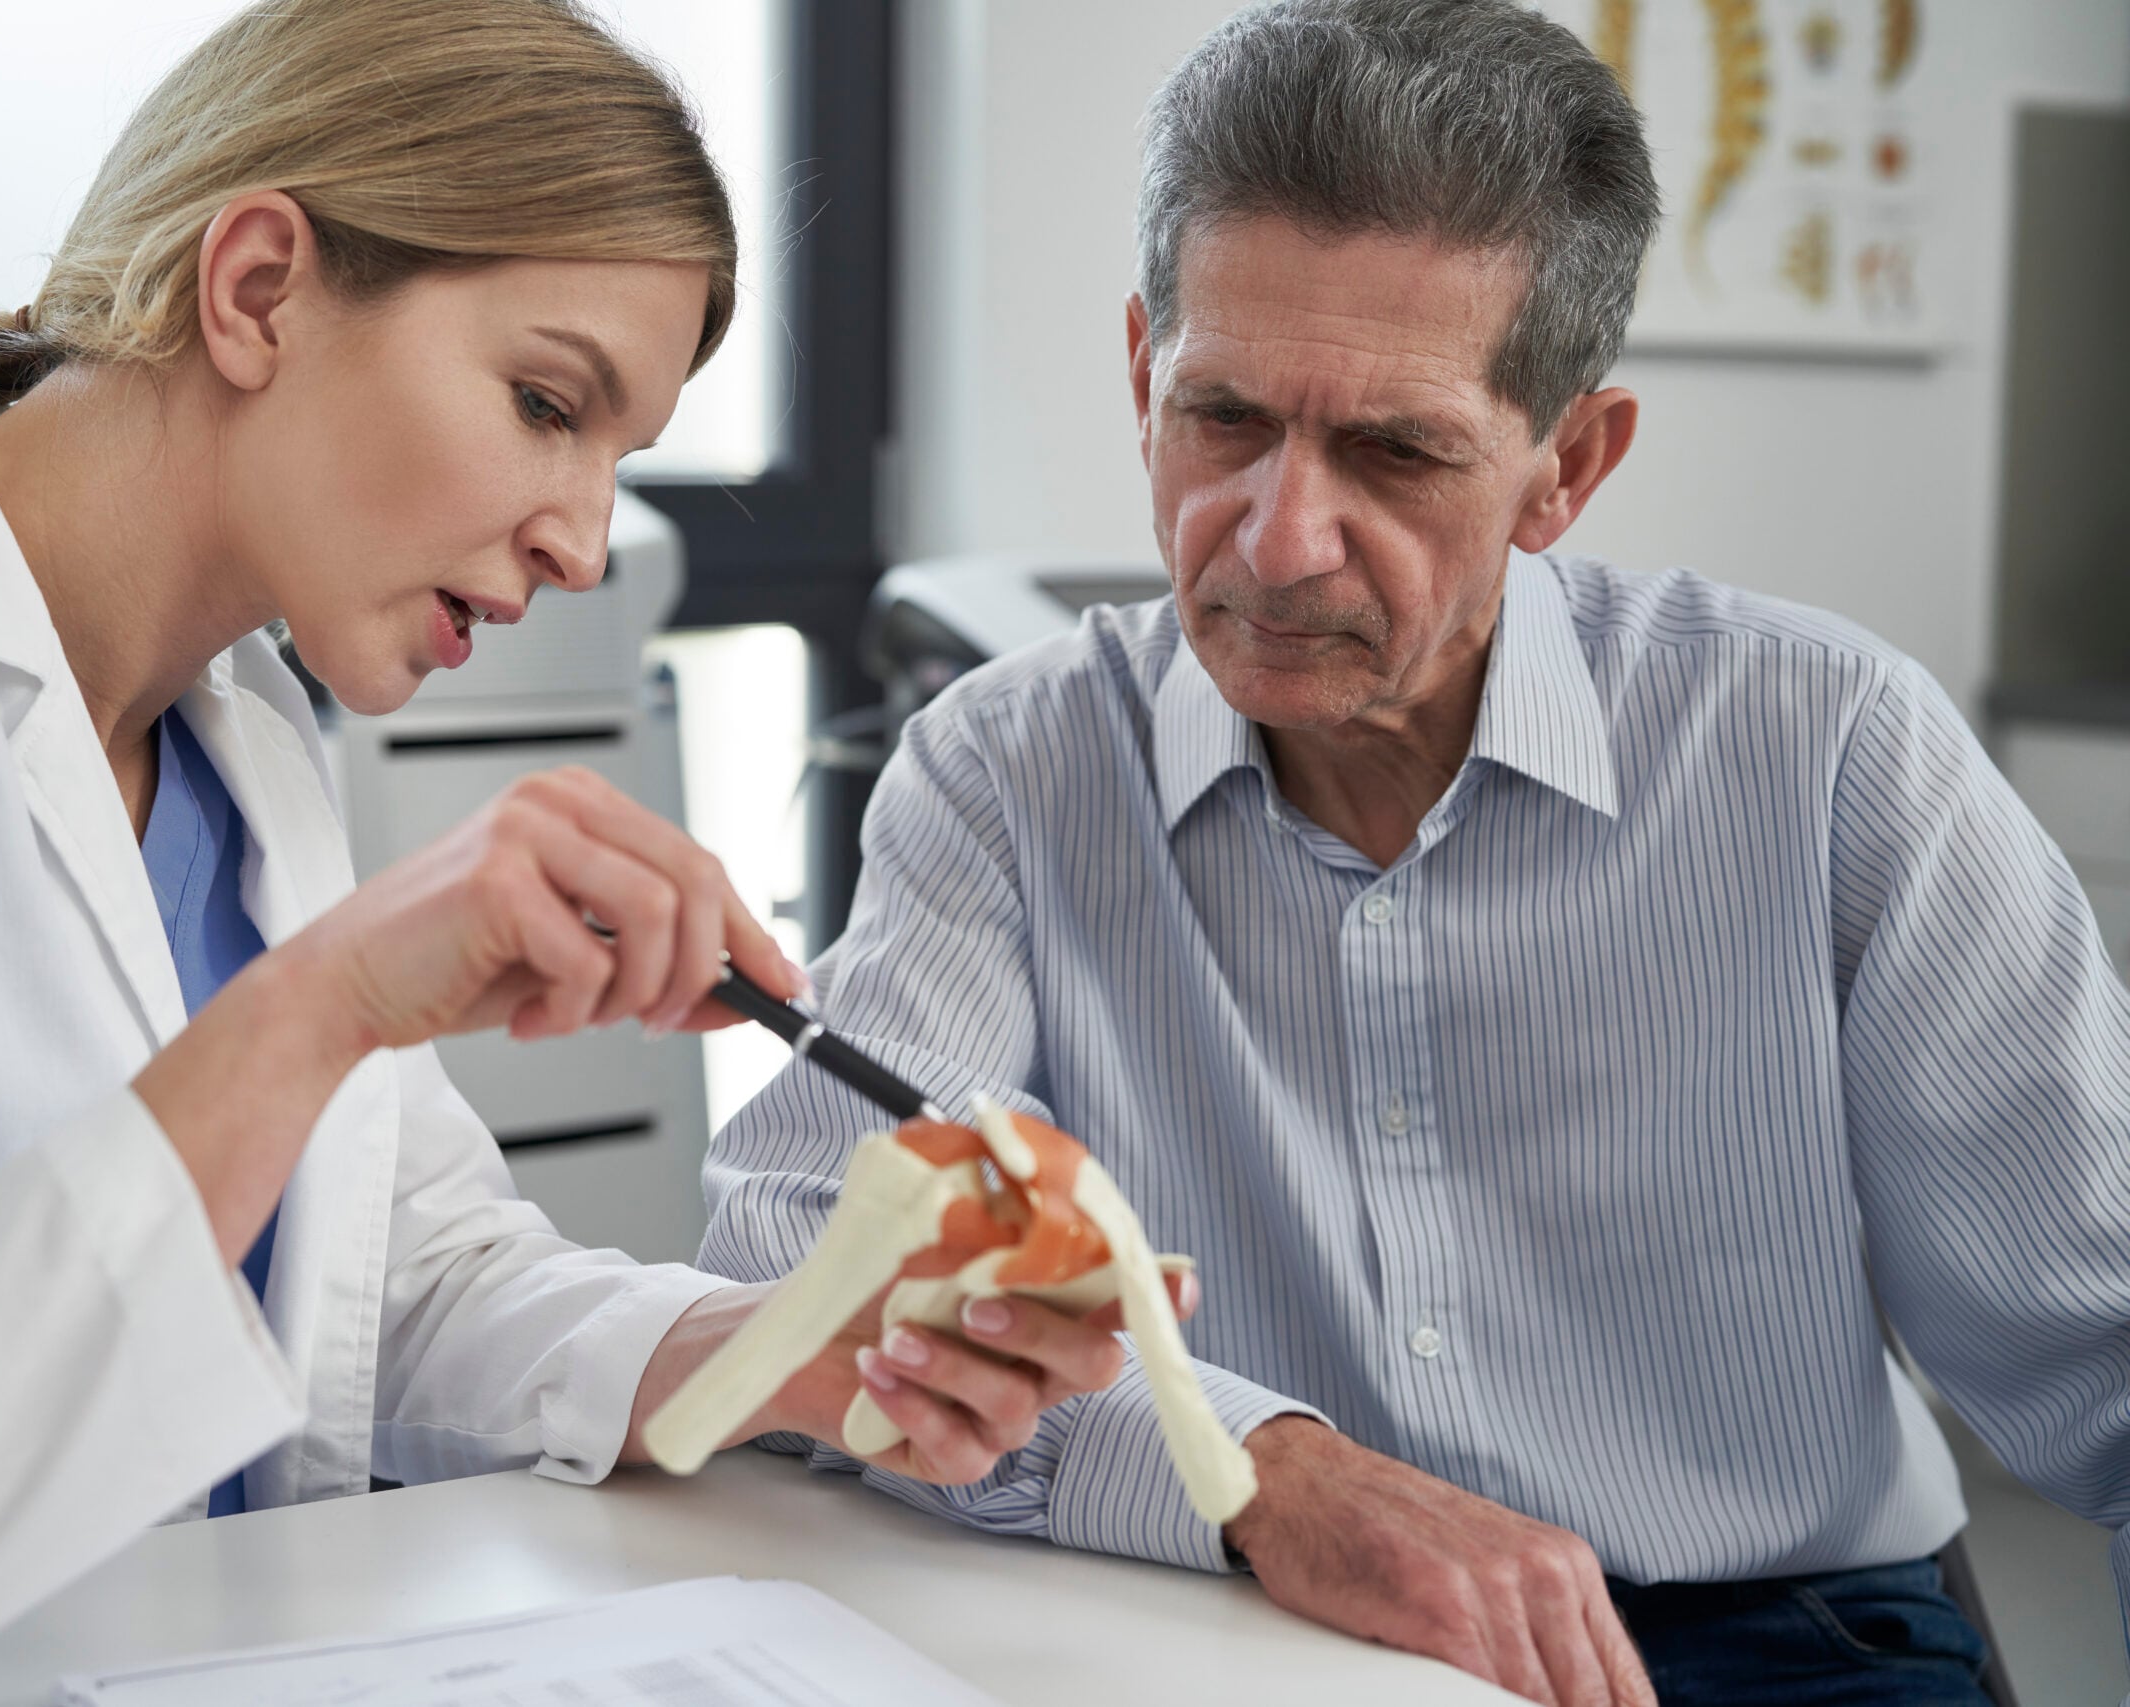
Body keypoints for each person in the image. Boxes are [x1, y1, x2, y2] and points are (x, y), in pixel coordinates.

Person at [0, 5, 1154, 1703]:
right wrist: (319, 1004)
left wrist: (778, 1352)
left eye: (618, 459)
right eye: (549, 402)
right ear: (257, 288)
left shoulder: (235, 727)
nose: (583, 539)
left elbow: (406, 1277)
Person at [701, 3, 2130, 1705]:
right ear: (1146, 373)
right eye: (1224, 420)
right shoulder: (1007, 770)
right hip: (1220, 1619)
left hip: (1763, 1637)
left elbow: (2103, 1353)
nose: (1279, 540)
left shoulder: (1830, 757)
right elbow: (795, 1272)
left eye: (1395, 452)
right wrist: (1254, 1474)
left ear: (1566, 467)